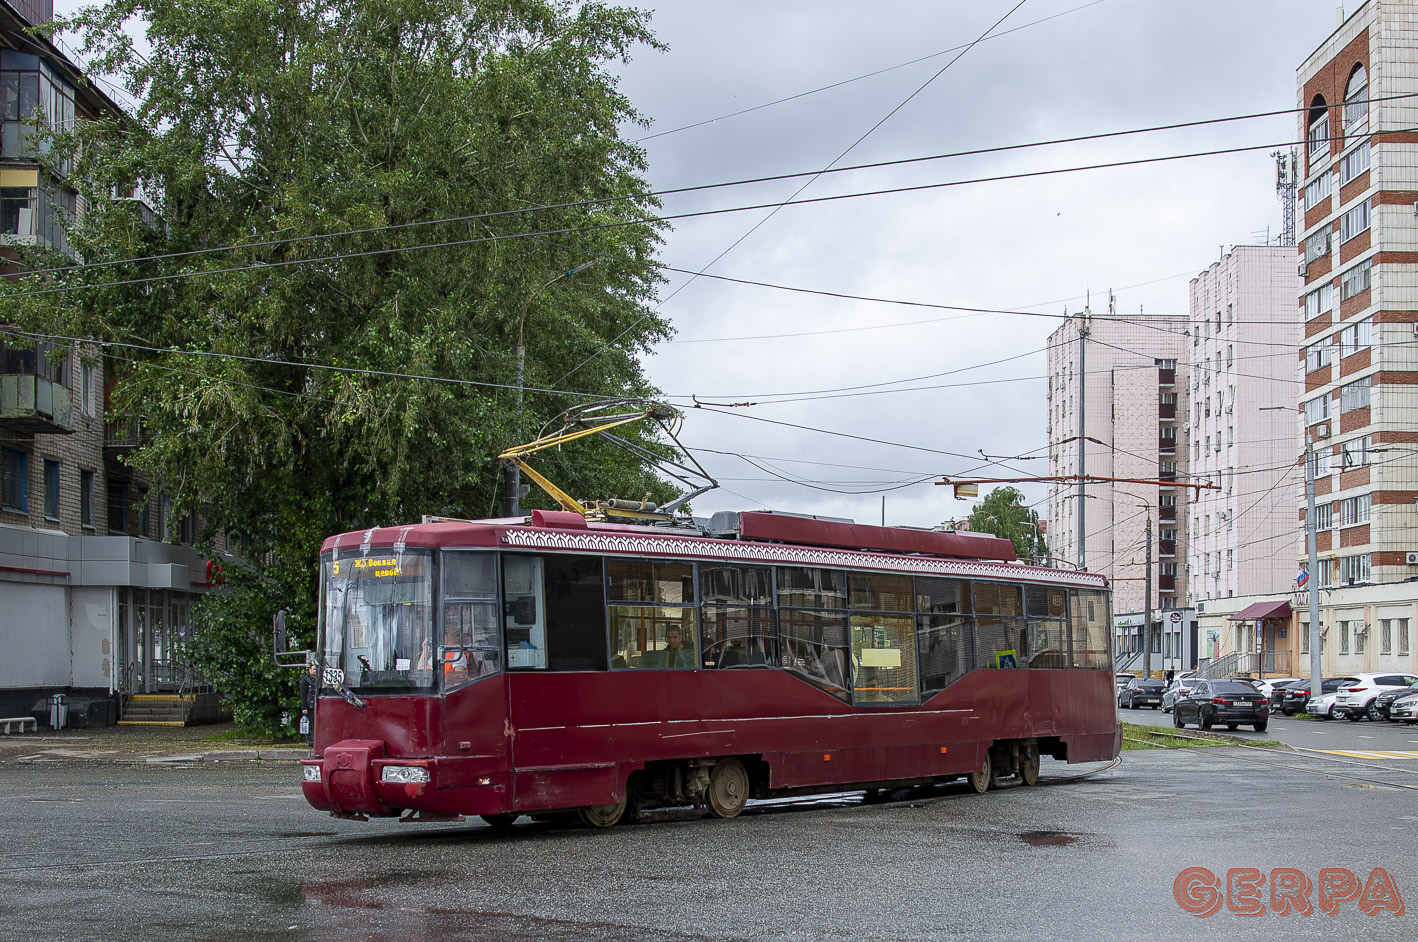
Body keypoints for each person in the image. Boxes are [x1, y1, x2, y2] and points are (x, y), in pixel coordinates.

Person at [298, 662, 318, 749]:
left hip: (318, 705)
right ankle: (310, 741)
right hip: (309, 705)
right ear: (309, 670)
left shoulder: (320, 680)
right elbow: (303, 695)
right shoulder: (305, 681)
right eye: (314, 669)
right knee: (308, 724)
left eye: (316, 669)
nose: (315, 671)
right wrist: (304, 707)